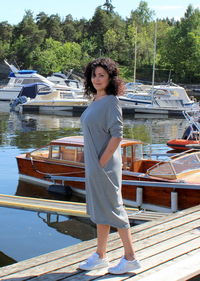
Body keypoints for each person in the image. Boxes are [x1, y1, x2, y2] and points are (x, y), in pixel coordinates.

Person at [79, 57, 141, 275]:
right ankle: (100, 255)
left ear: (110, 78)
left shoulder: (112, 101)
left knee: (114, 208)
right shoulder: (96, 100)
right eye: (94, 75)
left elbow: (117, 135)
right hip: (94, 164)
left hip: (104, 165)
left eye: (101, 75)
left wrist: (101, 162)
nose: (97, 79)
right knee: (100, 208)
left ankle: (131, 258)